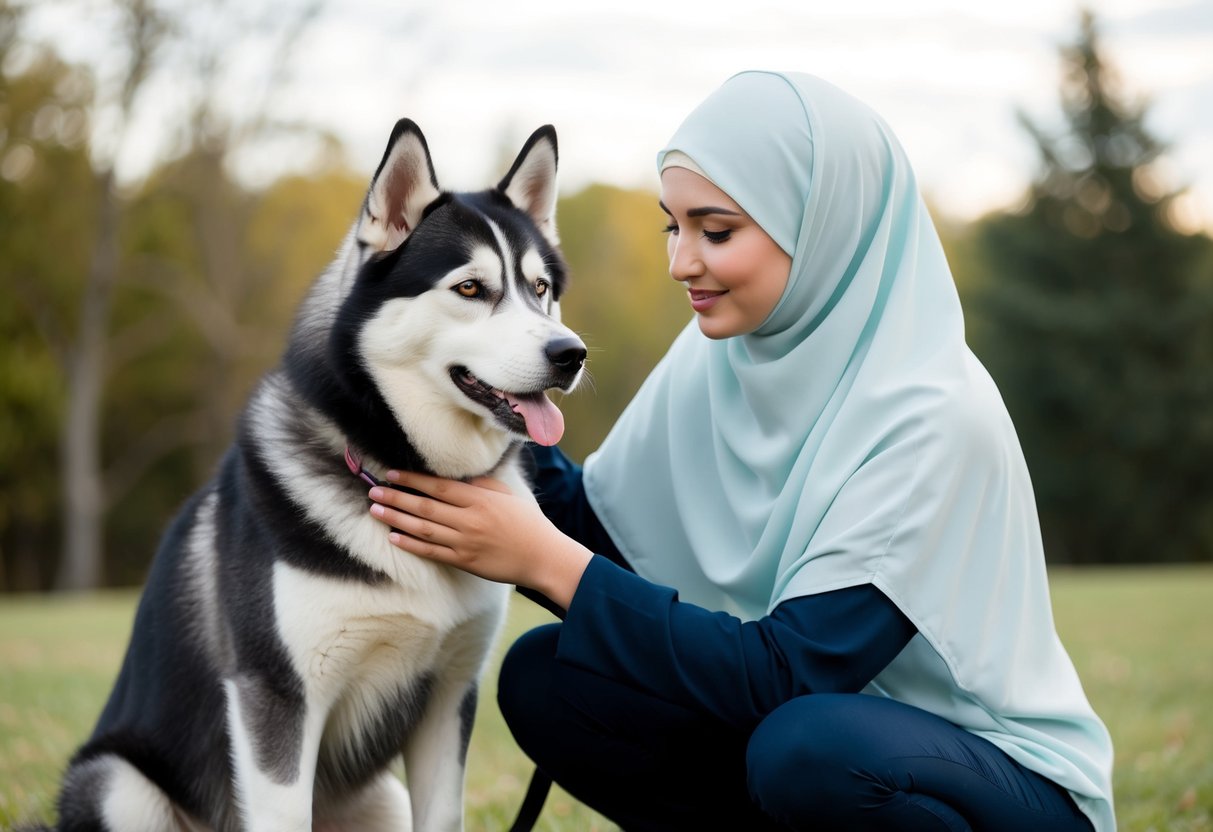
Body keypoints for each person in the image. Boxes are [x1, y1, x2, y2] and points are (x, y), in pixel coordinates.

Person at [367, 70, 1115, 831]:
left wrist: (544, 561)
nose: (680, 261)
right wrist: (455, 393)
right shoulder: (721, 354)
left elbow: (789, 675)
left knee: (807, 746)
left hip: (998, 783)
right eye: (673, 225)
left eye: (715, 231)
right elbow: (603, 532)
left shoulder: (932, 416)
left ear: (819, 224)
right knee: (549, 674)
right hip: (812, 736)